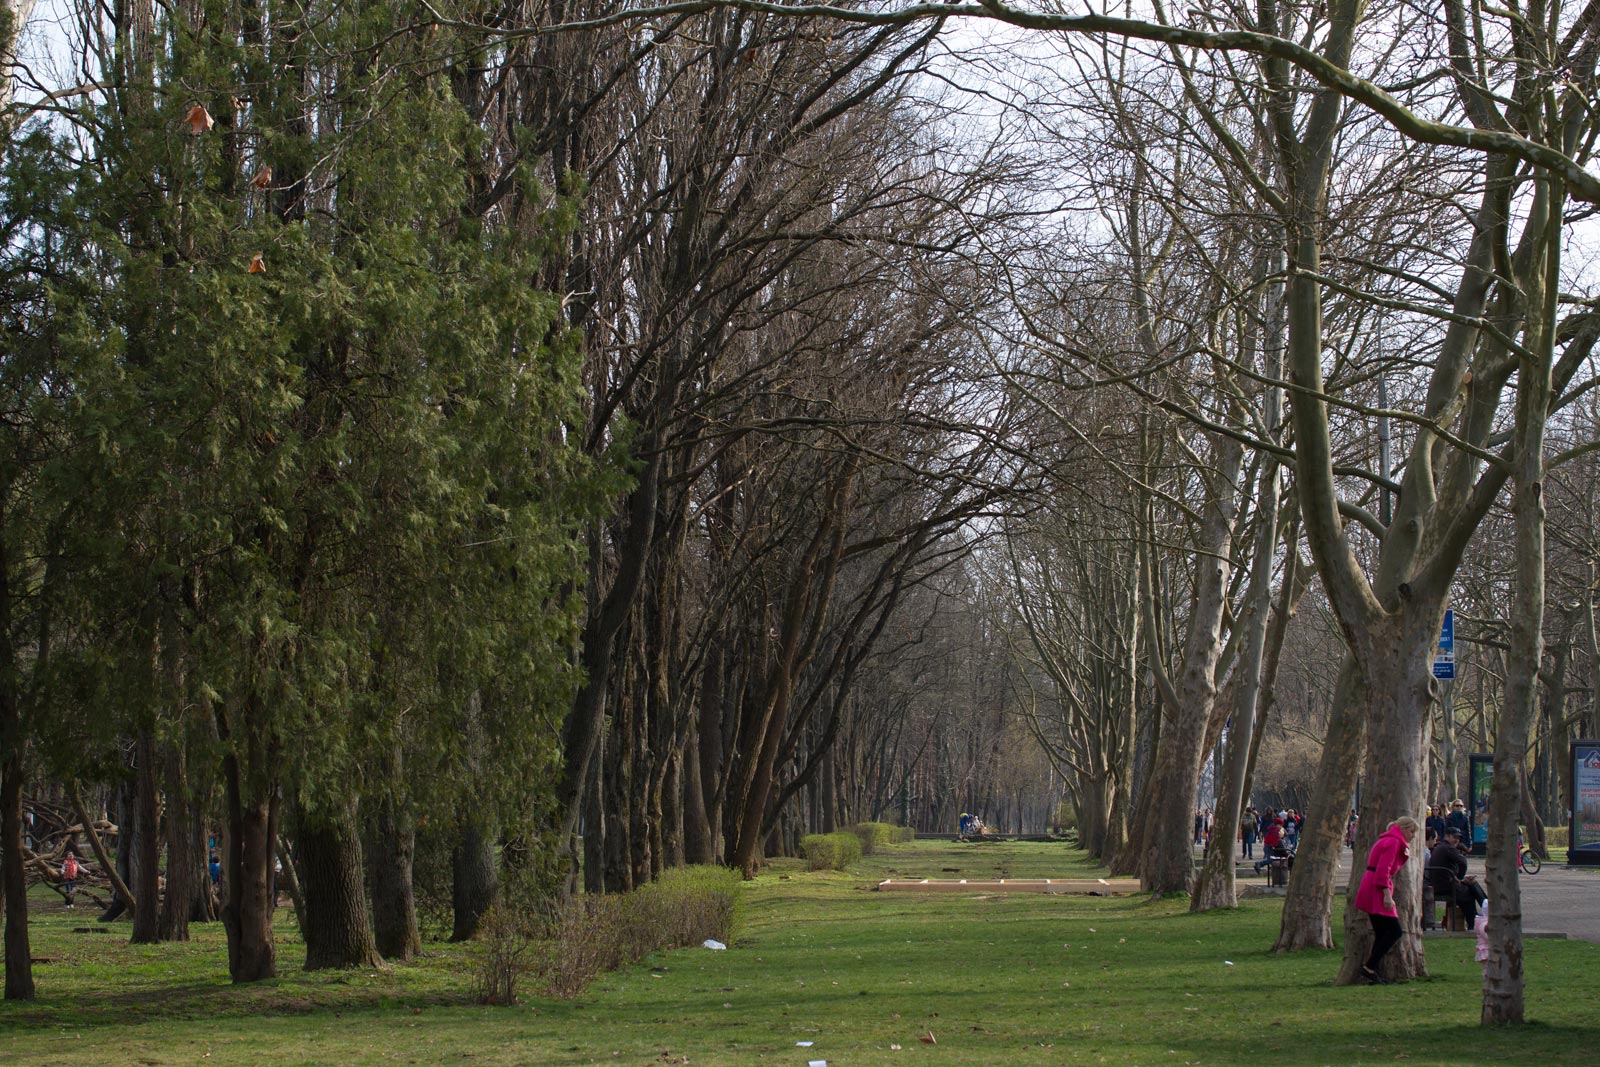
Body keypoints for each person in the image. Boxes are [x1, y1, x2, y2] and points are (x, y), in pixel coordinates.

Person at [1354, 815, 1420, 984]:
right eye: (1412, 832)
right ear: (1404, 829)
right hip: (1377, 887)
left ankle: (1371, 969)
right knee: (1394, 931)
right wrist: (1386, 894)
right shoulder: (1394, 842)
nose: (1413, 836)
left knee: (1382, 931)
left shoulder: (1388, 840)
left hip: (1371, 883)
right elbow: (1384, 869)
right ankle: (1369, 967)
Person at [1427, 827, 1486, 919]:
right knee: (1469, 892)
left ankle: (1483, 910)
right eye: (1454, 837)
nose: (1457, 840)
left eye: (1458, 838)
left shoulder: (1440, 847)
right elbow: (1463, 862)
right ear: (1447, 836)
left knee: (1472, 883)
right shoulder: (1448, 848)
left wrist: (1460, 879)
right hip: (1445, 886)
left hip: (1441, 884)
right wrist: (1460, 878)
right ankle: (1477, 916)